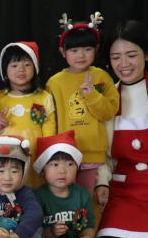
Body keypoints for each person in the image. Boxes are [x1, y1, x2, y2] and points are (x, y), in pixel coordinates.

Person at [95, 20, 148, 238]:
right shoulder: (108, 98)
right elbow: (104, 154)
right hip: (124, 192)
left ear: (147, 54)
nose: (124, 64)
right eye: (116, 57)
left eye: (131, 55)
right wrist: (102, 183)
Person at [46, 11, 119, 195]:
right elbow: (51, 120)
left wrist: (92, 95)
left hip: (93, 153)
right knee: (64, 199)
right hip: (64, 154)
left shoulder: (101, 77)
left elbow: (109, 111)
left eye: (87, 49)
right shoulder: (54, 83)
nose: (81, 55)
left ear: (96, 49)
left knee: (89, 199)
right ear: (63, 52)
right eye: (74, 50)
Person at [0, 41, 56, 188]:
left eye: (27, 65)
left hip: (34, 156)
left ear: (35, 67)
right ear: (4, 70)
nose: (21, 70)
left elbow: (49, 129)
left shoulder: (43, 97)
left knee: (33, 191)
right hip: (5, 157)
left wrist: (46, 156)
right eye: (14, 66)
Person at [34, 131, 97, 238]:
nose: (62, 171)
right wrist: (51, 232)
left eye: (70, 164)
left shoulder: (82, 195)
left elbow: (89, 227)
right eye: (55, 165)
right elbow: (34, 234)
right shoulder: (38, 196)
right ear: (43, 170)